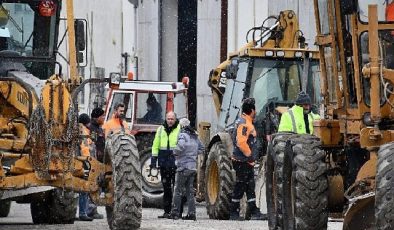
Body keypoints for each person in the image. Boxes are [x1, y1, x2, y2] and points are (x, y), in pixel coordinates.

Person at [230, 98, 265, 221]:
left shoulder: (246, 121)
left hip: (245, 161)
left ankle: (254, 211)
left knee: (250, 186)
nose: (255, 111)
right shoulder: (245, 123)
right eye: (254, 109)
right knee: (240, 186)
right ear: (251, 110)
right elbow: (241, 142)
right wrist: (249, 155)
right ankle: (233, 212)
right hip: (242, 161)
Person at [170, 118, 204, 220]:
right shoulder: (195, 137)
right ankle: (191, 214)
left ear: (181, 126)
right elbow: (202, 148)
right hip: (192, 168)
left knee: (178, 190)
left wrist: (174, 153)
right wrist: (192, 155)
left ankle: (175, 213)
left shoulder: (182, 135)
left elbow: (180, 147)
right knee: (190, 192)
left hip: (183, 167)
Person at [150, 111, 181, 219]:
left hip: (176, 164)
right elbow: (155, 145)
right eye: (168, 119)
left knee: (177, 189)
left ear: (175, 119)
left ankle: (177, 212)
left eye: (172, 119)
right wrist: (153, 161)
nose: (170, 121)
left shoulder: (180, 129)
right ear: (166, 119)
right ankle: (167, 212)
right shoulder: (160, 129)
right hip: (164, 164)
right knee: (166, 189)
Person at [84, 108, 106, 220]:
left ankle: (93, 209)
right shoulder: (90, 129)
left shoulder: (99, 129)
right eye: (102, 116)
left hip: (100, 161)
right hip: (93, 162)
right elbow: (90, 146)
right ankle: (90, 210)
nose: (103, 118)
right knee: (93, 185)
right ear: (96, 117)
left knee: (98, 185)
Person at [78, 113, 93, 221]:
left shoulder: (79, 130)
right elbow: (85, 148)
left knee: (83, 188)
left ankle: (84, 211)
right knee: (85, 187)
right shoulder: (83, 131)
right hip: (85, 162)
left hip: (82, 161)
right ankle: (83, 212)